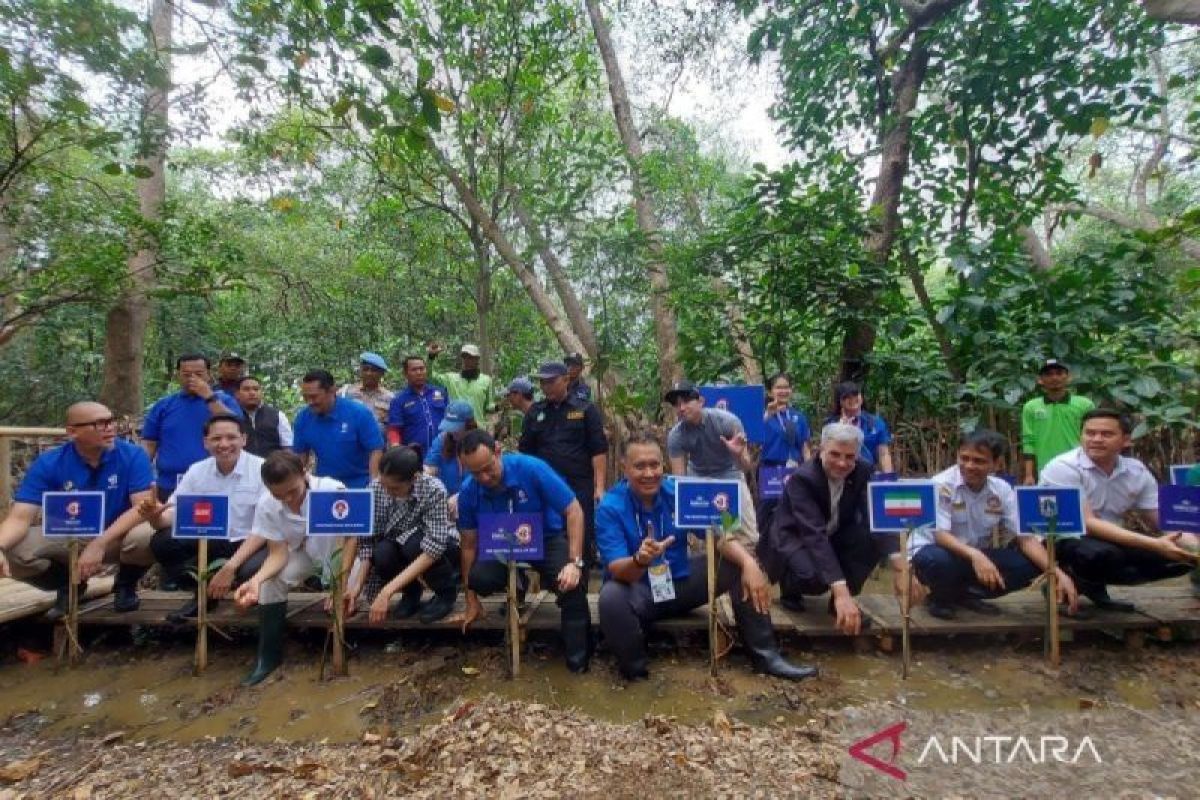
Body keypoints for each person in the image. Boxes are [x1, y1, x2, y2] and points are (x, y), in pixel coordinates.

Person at [597, 432, 816, 681]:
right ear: (624, 467)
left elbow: (722, 531)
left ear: (663, 465)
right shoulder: (609, 507)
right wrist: (640, 559)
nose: (649, 473)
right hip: (639, 591)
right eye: (639, 466)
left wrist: (749, 563)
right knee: (611, 597)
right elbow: (618, 570)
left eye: (654, 465)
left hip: (677, 582)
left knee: (737, 565)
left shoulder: (679, 491)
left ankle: (767, 657)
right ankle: (635, 673)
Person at [0, 402, 156, 617]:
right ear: (72, 432)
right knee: (15, 550)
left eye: (111, 421)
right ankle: (69, 584)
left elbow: (142, 507)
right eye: (99, 424)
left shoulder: (133, 455)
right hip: (70, 534)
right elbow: (19, 518)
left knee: (147, 536)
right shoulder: (50, 462)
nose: (110, 428)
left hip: (118, 536)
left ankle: (125, 585)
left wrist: (99, 543)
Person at [454, 430, 591, 672]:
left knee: (572, 587)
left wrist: (574, 562)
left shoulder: (532, 469)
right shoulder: (468, 492)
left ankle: (578, 661)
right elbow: (468, 545)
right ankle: (518, 583)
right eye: (475, 473)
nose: (484, 478)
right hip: (499, 545)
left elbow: (574, 511)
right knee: (479, 579)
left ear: (498, 451)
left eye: (488, 468)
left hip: (544, 539)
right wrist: (470, 598)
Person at [1041, 408, 1200, 611]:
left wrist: (1193, 547)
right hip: (1063, 539)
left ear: (1126, 440)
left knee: (1183, 559)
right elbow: (1088, 524)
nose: (1097, 439)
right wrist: (1154, 544)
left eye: (1106, 434)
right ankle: (1063, 583)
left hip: (1112, 539)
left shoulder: (1136, 471)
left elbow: (1164, 520)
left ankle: (1091, 585)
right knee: (1103, 555)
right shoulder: (1063, 467)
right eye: (1090, 433)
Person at [910, 429, 1078, 619]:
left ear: (997, 464)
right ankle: (941, 598)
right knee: (938, 561)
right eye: (964, 458)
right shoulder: (940, 484)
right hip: (933, 552)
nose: (969, 465)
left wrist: (1056, 572)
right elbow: (939, 535)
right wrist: (977, 556)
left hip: (973, 556)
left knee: (1030, 565)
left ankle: (962, 595)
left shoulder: (1002, 489)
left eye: (979, 461)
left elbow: (1026, 538)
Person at [758, 423, 904, 632]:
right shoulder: (803, 478)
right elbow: (813, 533)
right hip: (795, 536)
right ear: (821, 449)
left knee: (870, 540)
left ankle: (840, 605)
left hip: (835, 532)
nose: (842, 463)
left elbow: (876, 515)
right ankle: (789, 584)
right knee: (815, 580)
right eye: (835, 454)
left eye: (849, 456)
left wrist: (900, 566)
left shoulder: (863, 470)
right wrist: (839, 589)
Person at [233, 450, 359, 685]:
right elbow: (278, 553)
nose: (288, 499)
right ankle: (268, 657)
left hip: (341, 557)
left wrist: (340, 584)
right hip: (304, 553)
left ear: (305, 474)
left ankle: (345, 650)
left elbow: (352, 538)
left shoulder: (332, 490)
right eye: (279, 494)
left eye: (293, 491)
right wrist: (256, 581)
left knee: (346, 605)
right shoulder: (268, 504)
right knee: (271, 582)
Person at [139, 414, 269, 623]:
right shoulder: (198, 470)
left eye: (231, 437)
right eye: (217, 439)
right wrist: (155, 516)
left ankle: (221, 592)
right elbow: (174, 515)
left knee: (248, 570)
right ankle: (202, 591)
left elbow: (267, 528)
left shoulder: (263, 470)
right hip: (211, 540)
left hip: (252, 542)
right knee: (163, 542)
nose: (224, 444)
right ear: (206, 443)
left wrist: (231, 567)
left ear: (243, 439)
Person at [350, 446, 461, 625]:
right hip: (397, 545)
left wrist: (386, 592)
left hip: (435, 548)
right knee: (382, 553)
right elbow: (368, 541)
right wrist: (356, 588)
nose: (387, 491)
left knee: (414, 543)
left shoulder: (434, 490)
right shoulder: (376, 488)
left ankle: (445, 593)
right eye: (384, 485)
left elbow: (434, 547)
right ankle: (410, 591)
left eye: (394, 488)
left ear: (414, 479)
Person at [519, 361, 608, 566]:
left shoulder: (585, 409)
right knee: (549, 536)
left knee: (581, 536)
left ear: (566, 380)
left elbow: (598, 450)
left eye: (551, 381)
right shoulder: (535, 412)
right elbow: (525, 453)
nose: (546, 387)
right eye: (542, 383)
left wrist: (600, 487)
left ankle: (580, 583)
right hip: (545, 486)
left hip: (579, 484)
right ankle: (552, 583)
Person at [664, 380, 759, 542]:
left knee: (749, 536)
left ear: (701, 401)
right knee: (708, 533)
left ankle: (748, 559)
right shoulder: (676, 435)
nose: (681, 408)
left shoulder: (728, 421)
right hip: (697, 477)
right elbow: (679, 480)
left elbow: (745, 465)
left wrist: (737, 453)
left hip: (729, 473)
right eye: (677, 404)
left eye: (686, 401)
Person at [142, 354, 243, 499]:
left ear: (209, 375)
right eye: (187, 374)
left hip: (216, 481)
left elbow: (235, 426)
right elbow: (149, 444)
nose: (192, 378)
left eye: (199, 374)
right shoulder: (164, 405)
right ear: (178, 376)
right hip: (169, 484)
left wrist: (208, 396)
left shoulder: (224, 401)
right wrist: (145, 476)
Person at [292, 369, 384, 488]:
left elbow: (375, 450)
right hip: (325, 485)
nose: (310, 402)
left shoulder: (359, 413)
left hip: (360, 483)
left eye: (314, 397)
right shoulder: (303, 418)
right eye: (306, 397)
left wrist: (374, 485)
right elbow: (300, 456)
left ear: (332, 390)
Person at [1021, 358, 1094, 485]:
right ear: (1040, 380)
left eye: (1059, 373)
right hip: (1045, 469)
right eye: (1048, 374)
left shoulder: (1085, 404)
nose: (1054, 378)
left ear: (1069, 377)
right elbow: (1028, 441)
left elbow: (1092, 436)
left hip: (1079, 467)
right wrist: (1029, 475)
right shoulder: (1031, 407)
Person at [759, 372, 812, 533]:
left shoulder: (798, 417)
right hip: (770, 470)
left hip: (794, 469)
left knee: (794, 509)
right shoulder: (763, 415)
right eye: (778, 387)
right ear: (770, 392)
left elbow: (804, 446)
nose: (783, 391)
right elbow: (753, 440)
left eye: (786, 387)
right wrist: (768, 414)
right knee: (767, 510)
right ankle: (763, 546)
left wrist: (809, 468)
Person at [823, 382, 893, 473]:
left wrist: (888, 478)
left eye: (856, 395)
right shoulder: (831, 424)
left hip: (868, 473)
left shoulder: (876, 423)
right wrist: (842, 428)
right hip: (841, 473)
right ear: (840, 401)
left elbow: (883, 454)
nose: (852, 399)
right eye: (847, 397)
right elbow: (826, 453)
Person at [386, 356, 448, 456]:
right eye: (414, 370)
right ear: (405, 374)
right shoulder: (398, 400)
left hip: (442, 453)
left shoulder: (440, 392)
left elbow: (450, 420)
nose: (419, 372)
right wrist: (395, 448)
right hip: (414, 457)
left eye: (421, 368)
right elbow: (394, 429)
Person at [424, 400, 477, 514]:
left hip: (473, 501)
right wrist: (423, 473)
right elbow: (431, 466)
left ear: (469, 425)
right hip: (445, 503)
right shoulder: (442, 440)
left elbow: (484, 477)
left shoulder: (482, 444)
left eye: (456, 427)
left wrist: (461, 495)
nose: (452, 431)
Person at [427, 342, 494, 422]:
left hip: (477, 430)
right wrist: (431, 357)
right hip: (456, 430)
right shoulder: (450, 379)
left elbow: (489, 407)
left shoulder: (486, 380)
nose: (467, 361)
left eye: (470, 357)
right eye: (464, 357)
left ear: (477, 359)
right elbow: (429, 377)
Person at [235, 376, 293, 457]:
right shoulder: (233, 417)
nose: (252, 393)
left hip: (272, 466)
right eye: (246, 389)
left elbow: (288, 446)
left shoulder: (277, 415)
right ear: (237, 394)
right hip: (243, 467)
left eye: (256, 389)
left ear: (261, 392)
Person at [340, 352, 395, 436]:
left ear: (382, 373)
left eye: (373, 370)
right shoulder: (345, 392)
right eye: (365, 369)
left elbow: (392, 427)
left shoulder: (390, 397)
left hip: (378, 444)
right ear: (360, 371)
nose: (369, 373)